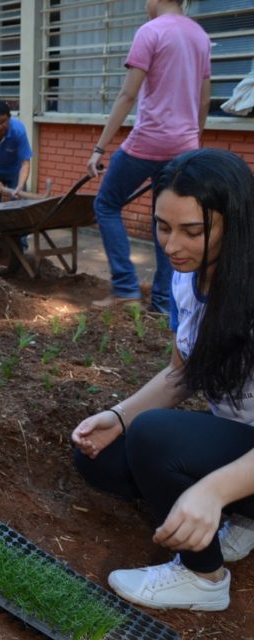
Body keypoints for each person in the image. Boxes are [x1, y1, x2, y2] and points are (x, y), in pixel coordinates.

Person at [72, 149, 254, 612]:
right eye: (163, 227)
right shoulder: (185, 278)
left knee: (155, 436)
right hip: (243, 447)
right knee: (102, 455)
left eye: (192, 231)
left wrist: (212, 489)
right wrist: (118, 416)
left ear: (236, 223)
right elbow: (181, 372)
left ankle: (205, 578)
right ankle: (241, 516)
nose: (172, 246)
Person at [86, 0, 210, 312]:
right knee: (165, 219)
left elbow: (128, 94)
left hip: (148, 143)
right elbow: (204, 99)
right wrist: (193, 142)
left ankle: (126, 289)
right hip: (184, 147)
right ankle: (164, 302)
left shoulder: (150, 32)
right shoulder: (200, 36)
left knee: (106, 203)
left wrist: (99, 148)